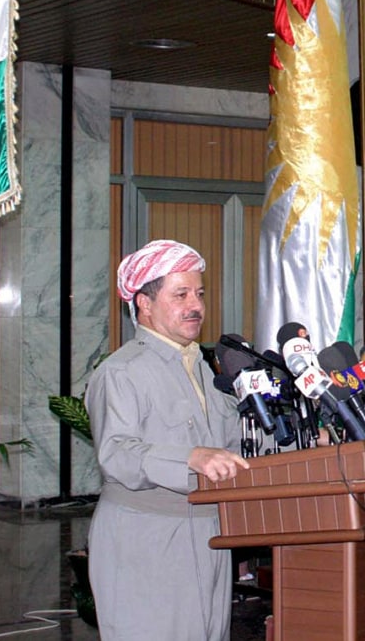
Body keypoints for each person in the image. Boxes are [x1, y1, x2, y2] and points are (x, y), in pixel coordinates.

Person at [84, 239, 249, 641]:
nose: (195, 305)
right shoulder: (121, 372)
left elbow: (229, 438)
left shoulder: (203, 367)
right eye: (181, 294)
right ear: (144, 303)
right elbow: (118, 454)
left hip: (208, 531)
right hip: (146, 538)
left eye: (199, 293)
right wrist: (190, 457)